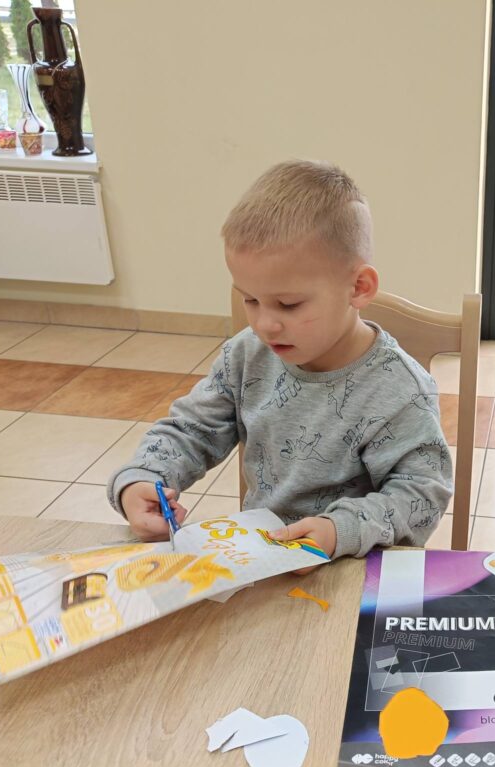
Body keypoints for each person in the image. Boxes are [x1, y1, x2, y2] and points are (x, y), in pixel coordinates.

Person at [108, 160, 453, 561]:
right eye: (250, 299)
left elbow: (420, 494)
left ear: (358, 287)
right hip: (261, 561)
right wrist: (143, 478)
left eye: (288, 304)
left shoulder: (399, 388)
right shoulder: (246, 354)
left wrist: (338, 530)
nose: (264, 325)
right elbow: (192, 430)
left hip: (349, 568)